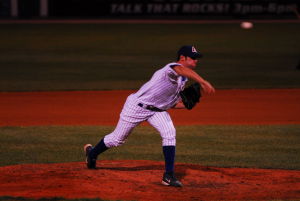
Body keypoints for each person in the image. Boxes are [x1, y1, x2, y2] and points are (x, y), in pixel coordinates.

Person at [84, 45, 215, 187]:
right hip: (136, 107)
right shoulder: (171, 68)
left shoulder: (182, 81)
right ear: (182, 58)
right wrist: (202, 81)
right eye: (193, 58)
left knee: (169, 132)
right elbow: (181, 69)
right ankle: (92, 154)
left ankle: (168, 176)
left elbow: (169, 104)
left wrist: (188, 104)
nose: (196, 61)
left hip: (156, 111)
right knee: (117, 139)